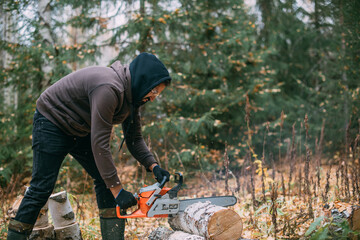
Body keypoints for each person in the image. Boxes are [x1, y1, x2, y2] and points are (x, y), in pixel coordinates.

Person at [7, 52, 172, 240]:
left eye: (157, 94)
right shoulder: (109, 88)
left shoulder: (133, 98)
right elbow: (100, 144)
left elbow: (134, 139)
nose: (153, 97)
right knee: (41, 188)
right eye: (154, 91)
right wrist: (118, 191)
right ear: (144, 82)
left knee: (105, 180)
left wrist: (154, 166)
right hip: (52, 122)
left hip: (79, 128)